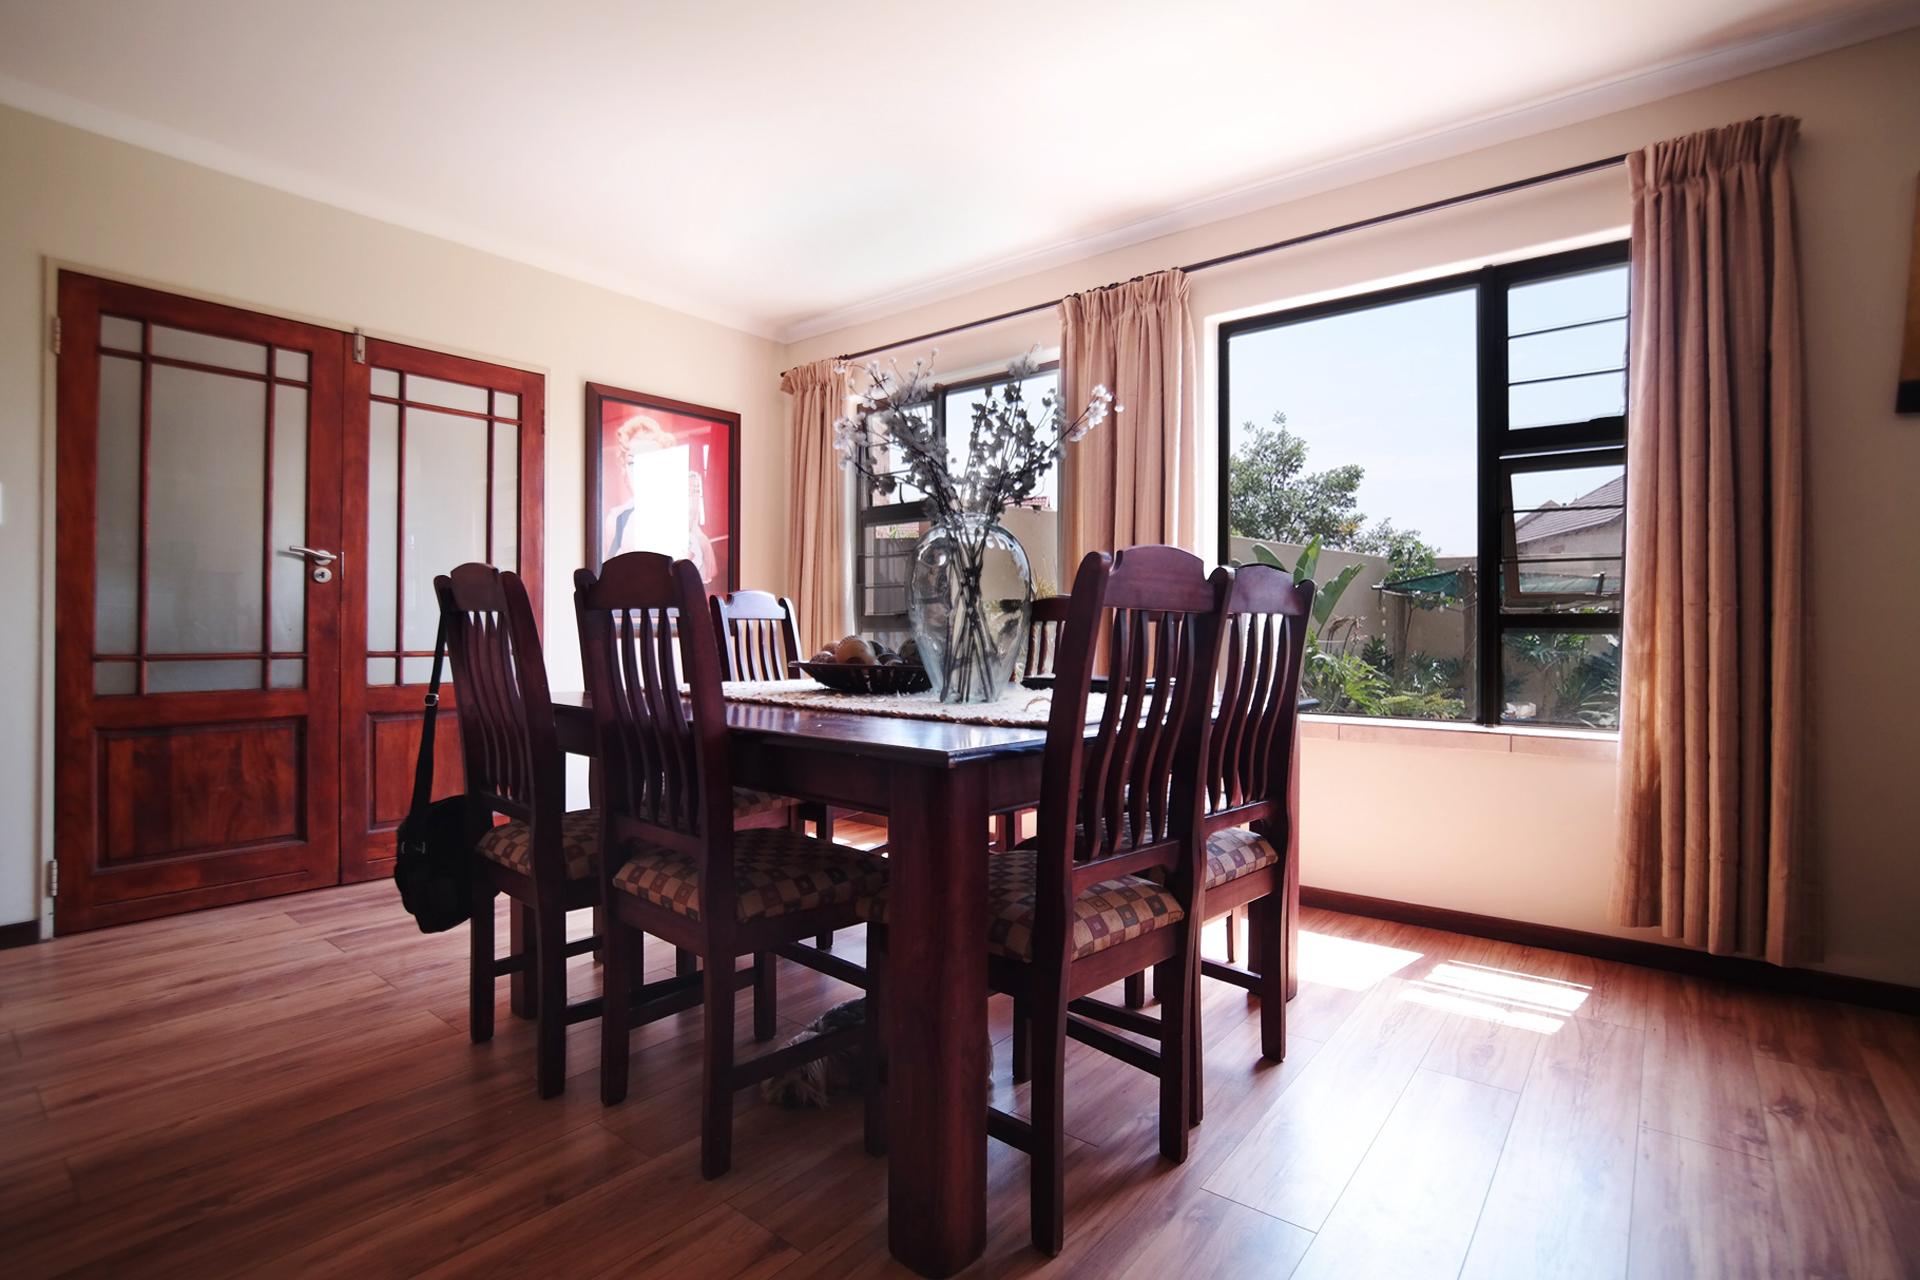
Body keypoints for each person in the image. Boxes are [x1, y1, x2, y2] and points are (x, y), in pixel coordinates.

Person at [603, 413, 719, 586]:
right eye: (633, 462)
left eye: (649, 461)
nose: (641, 471)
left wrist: (691, 530)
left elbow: (703, 578)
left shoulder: (681, 518)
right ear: (624, 467)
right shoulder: (618, 520)